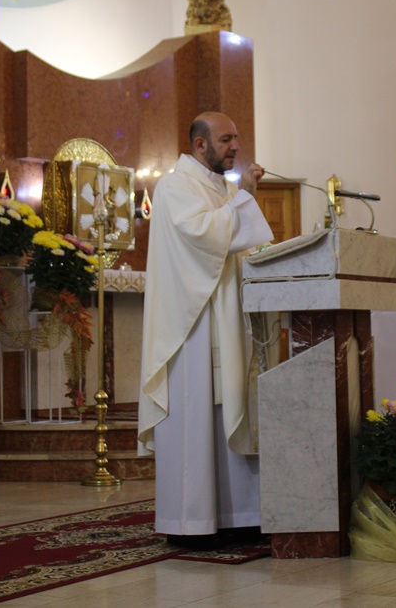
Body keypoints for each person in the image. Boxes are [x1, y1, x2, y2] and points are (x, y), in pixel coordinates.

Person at [138, 111, 273, 545]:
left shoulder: (223, 189)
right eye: (226, 139)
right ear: (200, 145)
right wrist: (244, 199)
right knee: (195, 413)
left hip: (226, 318)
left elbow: (238, 244)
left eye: (236, 138)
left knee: (230, 405)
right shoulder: (175, 186)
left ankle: (239, 514)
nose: (236, 146)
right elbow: (204, 236)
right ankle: (191, 521)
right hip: (191, 326)